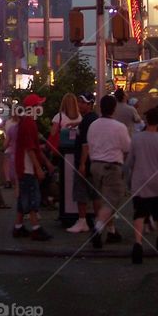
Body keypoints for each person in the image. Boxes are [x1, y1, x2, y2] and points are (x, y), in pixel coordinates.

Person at [128, 107, 158, 263]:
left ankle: (138, 242)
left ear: (146, 120)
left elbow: (130, 162)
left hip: (139, 180)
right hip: (157, 181)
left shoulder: (136, 139)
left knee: (139, 212)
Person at [87, 95, 131, 249]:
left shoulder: (93, 125)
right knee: (112, 199)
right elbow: (127, 148)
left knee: (102, 199)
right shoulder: (119, 127)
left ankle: (112, 230)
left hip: (95, 165)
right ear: (114, 108)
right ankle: (98, 228)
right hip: (111, 165)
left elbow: (90, 145)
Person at [12, 93, 54, 241]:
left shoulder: (26, 121)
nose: (41, 107)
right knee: (32, 197)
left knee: (24, 197)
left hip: (24, 166)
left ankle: (18, 226)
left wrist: (44, 163)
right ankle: (36, 228)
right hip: (27, 167)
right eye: (39, 105)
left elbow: (33, 147)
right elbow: (30, 149)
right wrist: (38, 168)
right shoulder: (29, 123)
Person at [68, 93, 100, 233]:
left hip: (85, 163)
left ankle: (82, 221)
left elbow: (85, 144)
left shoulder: (88, 121)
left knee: (82, 193)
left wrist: (82, 164)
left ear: (90, 104)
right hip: (94, 162)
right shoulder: (91, 119)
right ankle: (99, 221)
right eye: (79, 102)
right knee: (95, 194)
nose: (80, 105)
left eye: (83, 102)